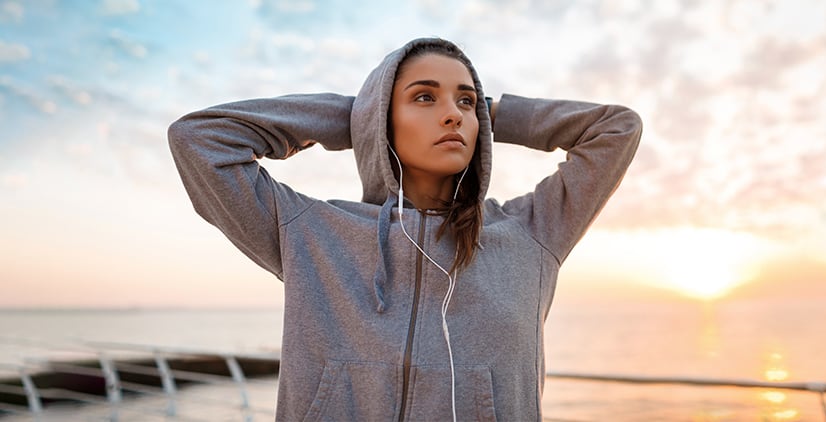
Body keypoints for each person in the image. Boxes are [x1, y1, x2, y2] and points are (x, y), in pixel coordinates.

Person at [168, 37, 641, 421]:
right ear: (382, 119)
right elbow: (200, 139)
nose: (454, 113)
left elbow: (617, 130)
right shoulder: (309, 231)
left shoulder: (531, 232)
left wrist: (494, 113)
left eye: (467, 100)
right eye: (424, 97)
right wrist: (358, 117)